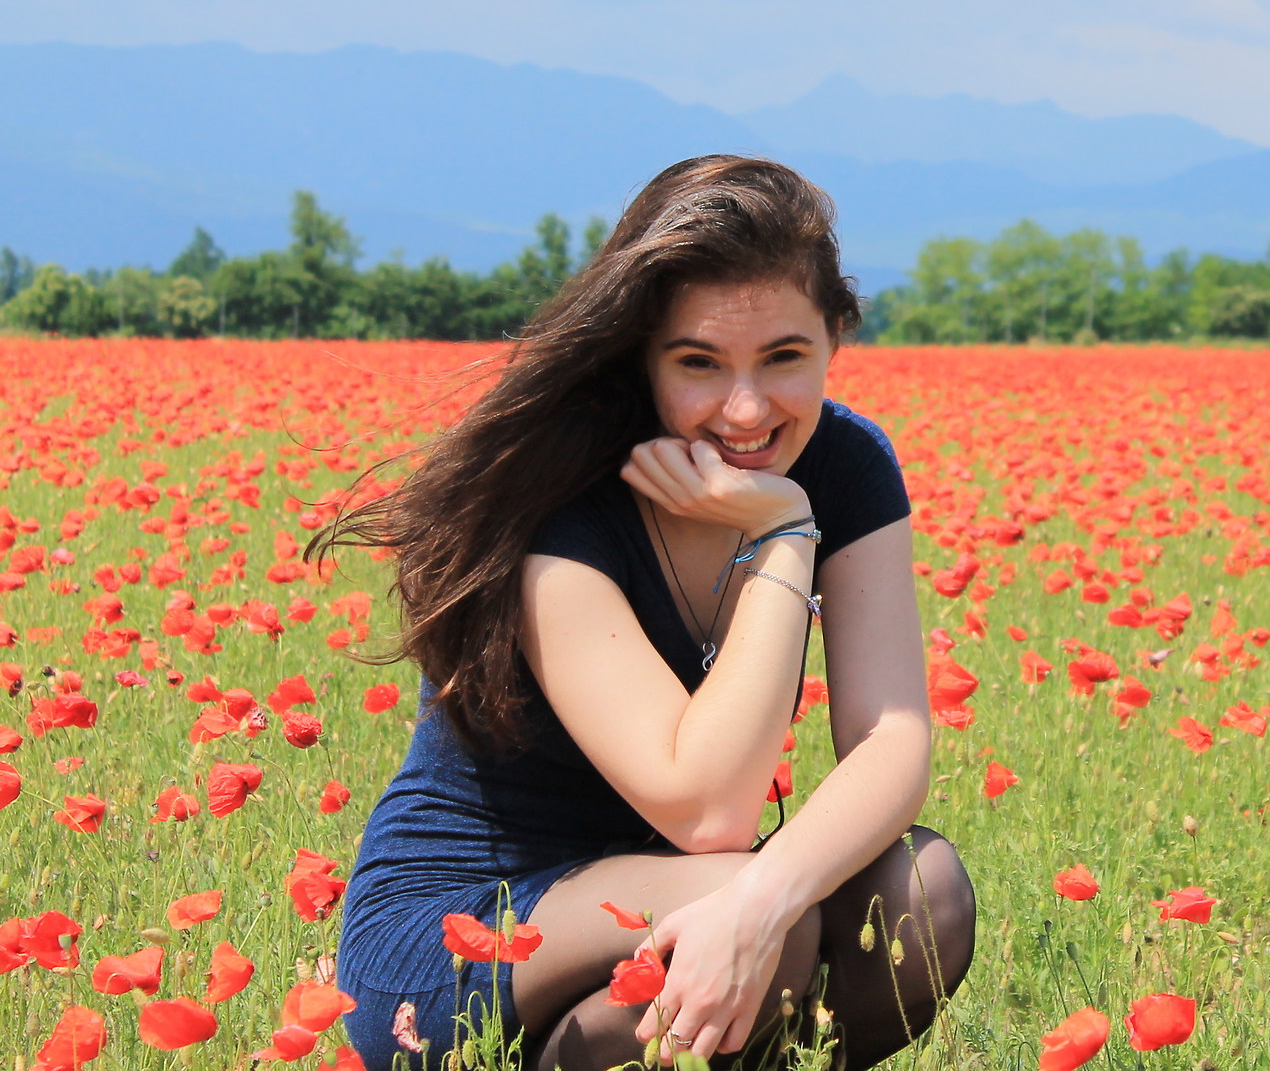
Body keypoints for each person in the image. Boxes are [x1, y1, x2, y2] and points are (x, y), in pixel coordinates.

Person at [329, 156, 973, 1069]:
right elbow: (707, 812)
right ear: (642, 356)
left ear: (837, 334)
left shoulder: (850, 464)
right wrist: (785, 531)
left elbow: (893, 739)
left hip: (684, 894)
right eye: (699, 363)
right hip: (480, 920)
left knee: (921, 893)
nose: (746, 409)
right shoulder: (563, 502)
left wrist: (761, 894)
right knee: (764, 920)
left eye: (785, 357)